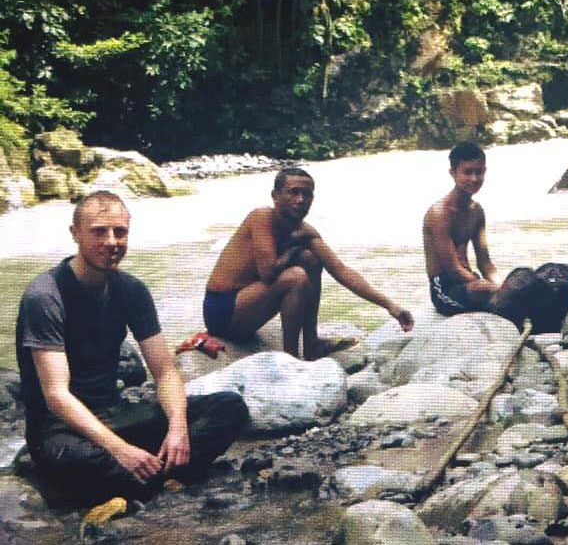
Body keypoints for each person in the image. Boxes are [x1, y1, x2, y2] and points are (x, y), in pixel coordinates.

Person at [15, 191, 249, 508]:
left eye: (120, 232)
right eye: (99, 231)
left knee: (229, 407)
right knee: (89, 462)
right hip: (60, 432)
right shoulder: (46, 296)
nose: (111, 241)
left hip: (117, 416)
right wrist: (120, 450)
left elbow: (165, 371)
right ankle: (160, 478)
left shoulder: (132, 290)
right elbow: (57, 396)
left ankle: (147, 480)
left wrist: (178, 428)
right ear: (75, 234)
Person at [205, 167, 414, 359]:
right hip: (223, 311)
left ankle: (311, 343)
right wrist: (293, 252)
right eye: (293, 192)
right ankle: (291, 359)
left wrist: (390, 305)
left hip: (250, 307)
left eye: (307, 194)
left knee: (312, 260)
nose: (300, 199)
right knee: (296, 276)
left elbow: (341, 270)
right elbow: (267, 273)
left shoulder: (305, 231)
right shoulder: (262, 217)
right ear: (275, 196)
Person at [423, 142, 501, 315]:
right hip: (444, 289)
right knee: (485, 290)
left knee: (517, 281)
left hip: (469, 282)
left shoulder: (477, 211)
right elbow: (452, 269)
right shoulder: (439, 213)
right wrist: (490, 289)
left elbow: (485, 262)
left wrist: (501, 286)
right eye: (467, 172)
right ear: (453, 173)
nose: (474, 179)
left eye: (479, 172)